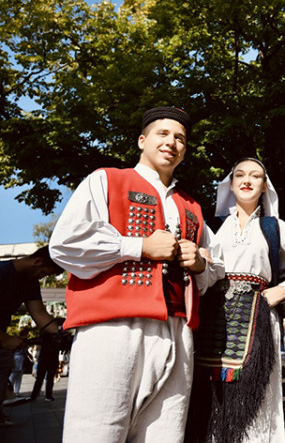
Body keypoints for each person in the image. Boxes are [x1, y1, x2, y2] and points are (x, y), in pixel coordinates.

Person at [49, 106, 224, 442]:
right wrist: (139, 246)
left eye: (180, 138)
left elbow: (217, 266)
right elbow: (66, 244)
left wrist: (201, 265)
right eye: (163, 134)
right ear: (142, 140)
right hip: (113, 326)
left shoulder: (192, 205)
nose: (171, 142)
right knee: (96, 430)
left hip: (178, 331)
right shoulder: (107, 180)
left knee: (165, 434)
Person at [189, 158, 285, 443]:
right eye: (240, 175)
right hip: (213, 323)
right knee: (209, 400)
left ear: (265, 186)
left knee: (259, 400)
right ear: (230, 184)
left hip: (259, 320)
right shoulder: (211, 226)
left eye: (255, 176)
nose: (247, 180)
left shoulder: (273, 227)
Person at [0, 245, 64, 425]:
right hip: (2, 337)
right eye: (44, 273)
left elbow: (40, 314)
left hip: (2, 337)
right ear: (37, 261)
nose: (43, 277)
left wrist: (63, 333)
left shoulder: (29, 282)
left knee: (4, 368)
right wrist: (4, 338)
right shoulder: (3, 272)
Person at [30, 318, 62, 401]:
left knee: (40, 378)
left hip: (44, 358)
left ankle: (34, 395)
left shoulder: (45, 335)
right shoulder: (57, 336)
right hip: (52, 358)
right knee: (49, 378)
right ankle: (47, 395)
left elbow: (38, 340)